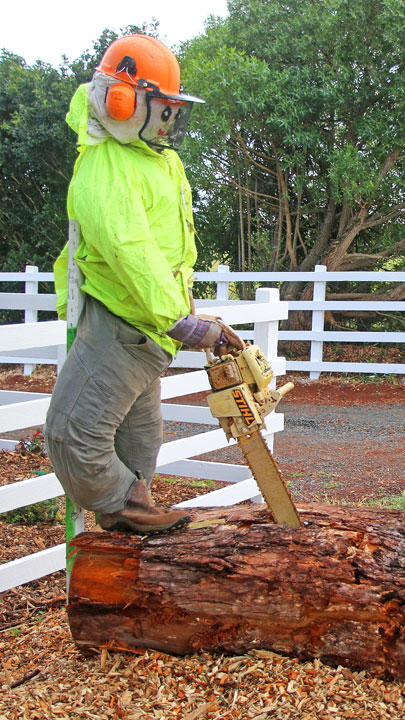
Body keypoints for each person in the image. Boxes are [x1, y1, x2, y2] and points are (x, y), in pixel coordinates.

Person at [44, 34, 243, 534]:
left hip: (136, 321)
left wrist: (181, 315)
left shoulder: (152, 161)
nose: (169, 122)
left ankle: (130, 513)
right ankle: (131, 514)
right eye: (164, 110)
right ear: (123, 101)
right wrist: (177, 318)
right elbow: (126, 246)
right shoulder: (113, 162)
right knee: (100, 435)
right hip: (133, 317)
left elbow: (163, 252)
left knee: (75, 436)